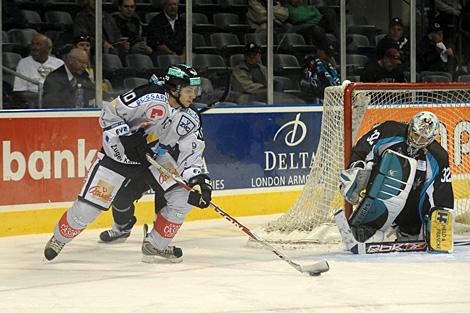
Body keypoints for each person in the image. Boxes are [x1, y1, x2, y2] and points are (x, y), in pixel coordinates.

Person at [43, 64, 212, 263]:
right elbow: (109, 113)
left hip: (154, 160)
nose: (194, 96)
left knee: (182, 197)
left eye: (195, 90)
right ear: (174, 89)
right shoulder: (149, 97)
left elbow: (192, 152)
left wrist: (199, 180)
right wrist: (125, 137)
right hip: (118, 157)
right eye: (189, 91)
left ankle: (156, 245)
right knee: (86, 210)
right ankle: (60, 238)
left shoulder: (190, 118)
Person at [339, 111, 453, 243]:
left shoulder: (438, 156)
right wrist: (356, 169)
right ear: (410, 127)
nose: (417, 141)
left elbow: (442, 191)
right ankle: (367, 227)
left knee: (421, 198)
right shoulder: (388, 130)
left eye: (423, 139)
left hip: (411, 197)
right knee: (368, 172)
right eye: (415, 134)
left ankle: (409, 231)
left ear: (431, 139)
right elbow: (363, 149)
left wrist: (440, 224)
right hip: (379, 184)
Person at [13, 34, 64, 108]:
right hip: (33, 103)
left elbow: (66, 88)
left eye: (38, 44)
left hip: (57, 103)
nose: (34, 47)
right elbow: (19, 91)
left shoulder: (59, 63)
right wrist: (41, 95)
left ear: (48, 48)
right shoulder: (23, 63)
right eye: (32, 44)